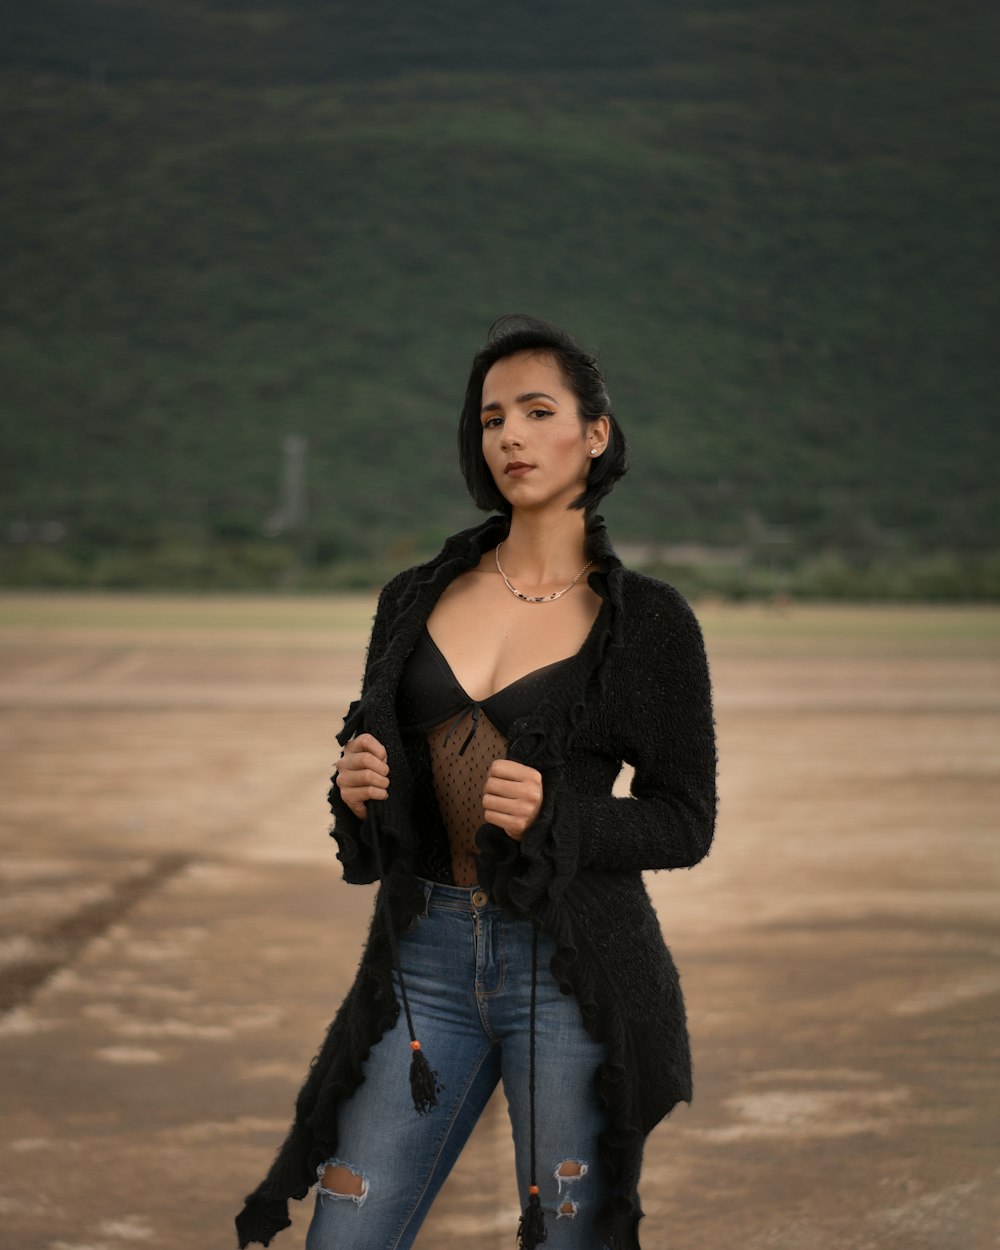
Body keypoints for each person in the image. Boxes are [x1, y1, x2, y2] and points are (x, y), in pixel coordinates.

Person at [235, 314, 717, 1250]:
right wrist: (357, 785)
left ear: (596, 433)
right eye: (493, 418)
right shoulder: (413, 595)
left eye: (539, 412)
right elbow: (383, 809)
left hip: (572, 971)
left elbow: (684, 820)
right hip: (424, 971)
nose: (511, 437)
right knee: (345, 1236)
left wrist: (562, 815)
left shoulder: (649, 623)